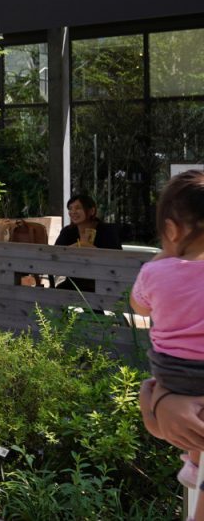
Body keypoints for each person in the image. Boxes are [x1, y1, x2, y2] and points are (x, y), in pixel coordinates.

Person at [130, 170, 204, 501]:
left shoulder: (155, 272)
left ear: (171, 231)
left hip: (173, 376)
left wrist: (162, 257)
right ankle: (194, 463)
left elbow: (139, 307)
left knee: (150, 394)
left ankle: (192, 459)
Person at [56, 193, 124, 250]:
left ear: (92, 211)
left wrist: (92, 249)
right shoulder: (67, 231)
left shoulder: (108, 231)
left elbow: (118, 257)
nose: (73, 212)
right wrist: (73, 248)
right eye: (70, 209)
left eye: (78, 208)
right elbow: (55, 254)